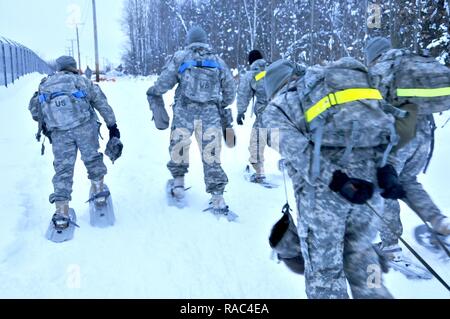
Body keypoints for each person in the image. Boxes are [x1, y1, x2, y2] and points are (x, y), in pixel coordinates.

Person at [262, 59, 393, 299]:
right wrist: (386, 169)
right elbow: (382, 128)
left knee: (325, 277)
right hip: (369, 192)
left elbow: (297, 150)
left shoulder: (279, 107)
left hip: (326, 199)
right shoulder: (334, 89)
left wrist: (337, 179)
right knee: (365, 263)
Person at [365, 37, 450, 261]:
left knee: (385, 185)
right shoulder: (410, 62)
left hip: (400, 136)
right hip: (425, 134)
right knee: (409, 180)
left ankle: (391, 246)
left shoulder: (380, 70)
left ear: (372, 56)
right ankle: (440, 222)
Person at [146, 26, 236, 215]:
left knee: (179, 148)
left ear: (189, 41)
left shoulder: (181, 57)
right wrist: (216, 103)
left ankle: (178, 186)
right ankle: (218, 198)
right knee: (211, 155)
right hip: (210, 115)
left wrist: (154, 92)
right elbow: (230, 91)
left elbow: (164, 82)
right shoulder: (217, 60)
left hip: (184, 111)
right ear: (205, 41)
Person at [28, 55, 120, 232]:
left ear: (59, 67)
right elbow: (101, 103)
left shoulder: (45, 84)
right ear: (73, 67)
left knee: (63, 170)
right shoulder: (81, 81)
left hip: (60, 134)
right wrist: (112, 126)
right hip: (84, 128)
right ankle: (99, 194)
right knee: (92, 159)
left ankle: (62, 213)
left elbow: (35, 111)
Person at [236, 50, 270, 182]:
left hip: (264, 113)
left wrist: (240, 112)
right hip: (282, 111)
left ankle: (259, 173)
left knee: (256, 142)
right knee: (278, 139)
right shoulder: (272, 69)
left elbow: (243, 94)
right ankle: (290, 163)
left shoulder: (252, 75)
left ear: (250, 62)